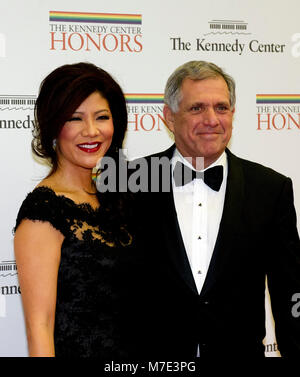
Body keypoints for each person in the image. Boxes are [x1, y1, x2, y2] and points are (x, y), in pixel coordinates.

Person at [132, 60, 300, 358]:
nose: (211, 119)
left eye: (221, 108)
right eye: (197, 108)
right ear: (169, 117)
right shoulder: (129, 182)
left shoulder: (271, 189)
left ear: (233, 114)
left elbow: (290, 293)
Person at [14, 62, 136, 358]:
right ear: (53, 125)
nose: (91, 131)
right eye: (75, 118)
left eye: (102, 117)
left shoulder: (117, 197)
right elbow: (39, 328)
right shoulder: (44, 211)